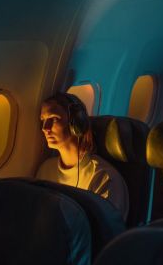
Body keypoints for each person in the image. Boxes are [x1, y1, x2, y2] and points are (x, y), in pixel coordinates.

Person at [36, 92, 129, 220]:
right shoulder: (45, 169)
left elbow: (105, 232)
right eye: (43, 120)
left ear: (77, 123)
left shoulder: (103, 177)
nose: (45, 128)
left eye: (54, 119)